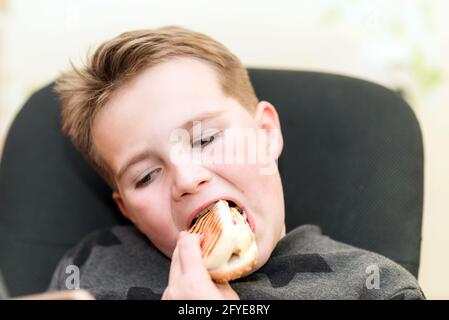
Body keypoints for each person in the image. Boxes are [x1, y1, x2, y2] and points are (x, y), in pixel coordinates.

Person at [48, 26, 424, 300]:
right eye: (146, 176)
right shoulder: (89, 266)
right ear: (127, 209)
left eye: (205, 139)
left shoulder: (375, 287)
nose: (187, 179)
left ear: (266, 133)